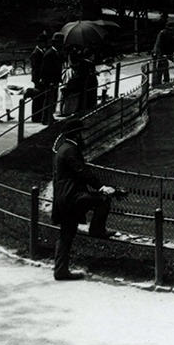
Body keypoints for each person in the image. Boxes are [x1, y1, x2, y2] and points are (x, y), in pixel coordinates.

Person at [50, 119, 120, 280]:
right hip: (72, 196)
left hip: (63, 197)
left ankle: (60, 270)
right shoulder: (71, 150)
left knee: (66, 234)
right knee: (103, 199)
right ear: (76, 134)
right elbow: (82, 171)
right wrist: (101, 187)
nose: (83, 136)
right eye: (81, 133)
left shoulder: (62, 148)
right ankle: (96, 229)